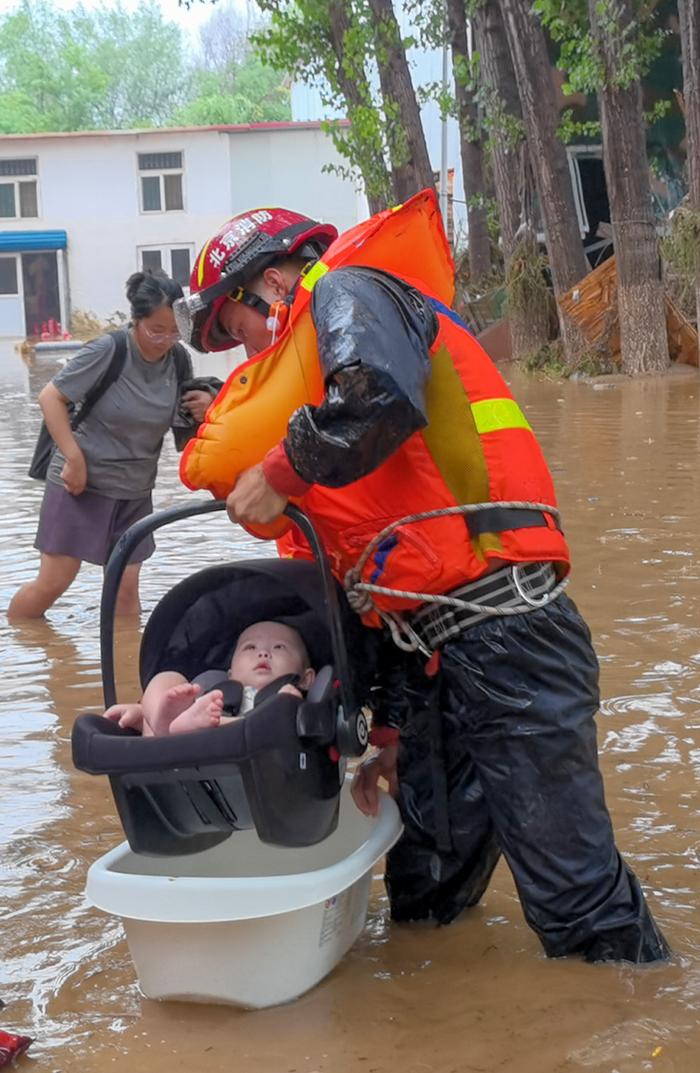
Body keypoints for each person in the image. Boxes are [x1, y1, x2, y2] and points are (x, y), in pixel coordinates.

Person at [172, 194, 670, 964]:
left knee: (577, 905)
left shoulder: (351, 291)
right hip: (439, 646)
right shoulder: (321, 356)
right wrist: (394, 734)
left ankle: (639, 1015)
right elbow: (386, 602)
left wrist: (280, 469)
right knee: (426, 891)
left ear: (270, 285)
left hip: (509, 630)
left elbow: (380, 396)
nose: (243, 356)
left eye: (235, 331)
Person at [9, 270, 218, 621]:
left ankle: (124, 668)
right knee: (55, 580)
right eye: (156, 330)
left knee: (125, 586)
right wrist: (73, 457)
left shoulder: (178, 359)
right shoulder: (109, 350)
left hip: (134, 491)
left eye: (175, 331)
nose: (166, 340)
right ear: (136, 321)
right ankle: (18, 642)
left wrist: (208, 404)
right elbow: (50, 398)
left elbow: (185, 431)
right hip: (80, 482)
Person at [103, 620, 316, 736]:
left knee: (279, 714)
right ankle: (155, 721)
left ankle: (174, 729)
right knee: (167, 677)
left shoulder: (290, 695)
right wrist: (141, 714)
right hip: (184, 726)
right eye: (250, 647)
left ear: (307, 678)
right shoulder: (215, 690)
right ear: (231, 672)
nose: (263, 653)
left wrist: (289, 703)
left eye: (279, 647)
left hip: (243, 743)